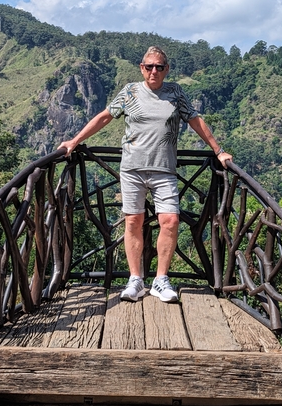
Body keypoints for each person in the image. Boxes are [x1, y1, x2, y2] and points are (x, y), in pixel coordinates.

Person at [58, 46, 233, 303]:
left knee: (171, 221)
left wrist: (218, 151)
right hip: (132, 169)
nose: (154, 71)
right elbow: (106, 117)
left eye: (159, 67)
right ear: (142, 68)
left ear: (167, 69)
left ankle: (161, 280)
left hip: (164, 169)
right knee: (133, 222)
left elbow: (195, 120)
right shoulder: (130, 91)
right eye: (149, 66)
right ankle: (136, 279)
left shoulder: (174, 93)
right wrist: (75, 140)